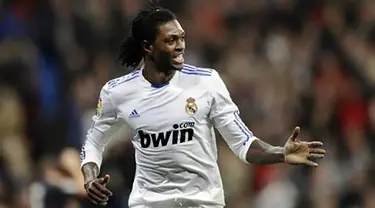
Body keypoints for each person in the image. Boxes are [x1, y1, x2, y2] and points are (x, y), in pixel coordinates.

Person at [80, 5, 326, 208]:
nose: (180, 46)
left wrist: (281, 153)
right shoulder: (118, 92)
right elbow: (93, 142)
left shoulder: (206, 82)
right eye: (171, 40)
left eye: (182, 38)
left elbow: (243, 143)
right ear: (148, 47)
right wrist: (90, 178)